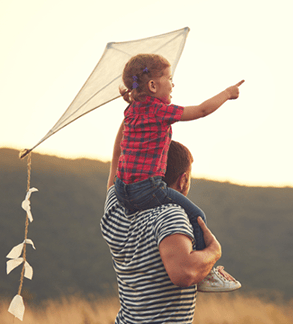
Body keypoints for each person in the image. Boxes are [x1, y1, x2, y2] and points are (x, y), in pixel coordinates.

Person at [111, 53, 243, 291]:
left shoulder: (131, 112)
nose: (173, 84)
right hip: (147, 188)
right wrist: (227, 93)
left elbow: (118, 155)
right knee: (197, 216)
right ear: (152, 85)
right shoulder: (159, 111)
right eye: (170, 78)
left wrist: (135, 98)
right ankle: (207, 273)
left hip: (122, 190)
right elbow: (201, 111)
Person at [102, 140, 238, 323]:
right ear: (183, 180)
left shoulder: (117, 208)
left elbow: (117, 157)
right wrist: (214, 251)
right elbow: (184, 273)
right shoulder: (170, 214)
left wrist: (131, 115)